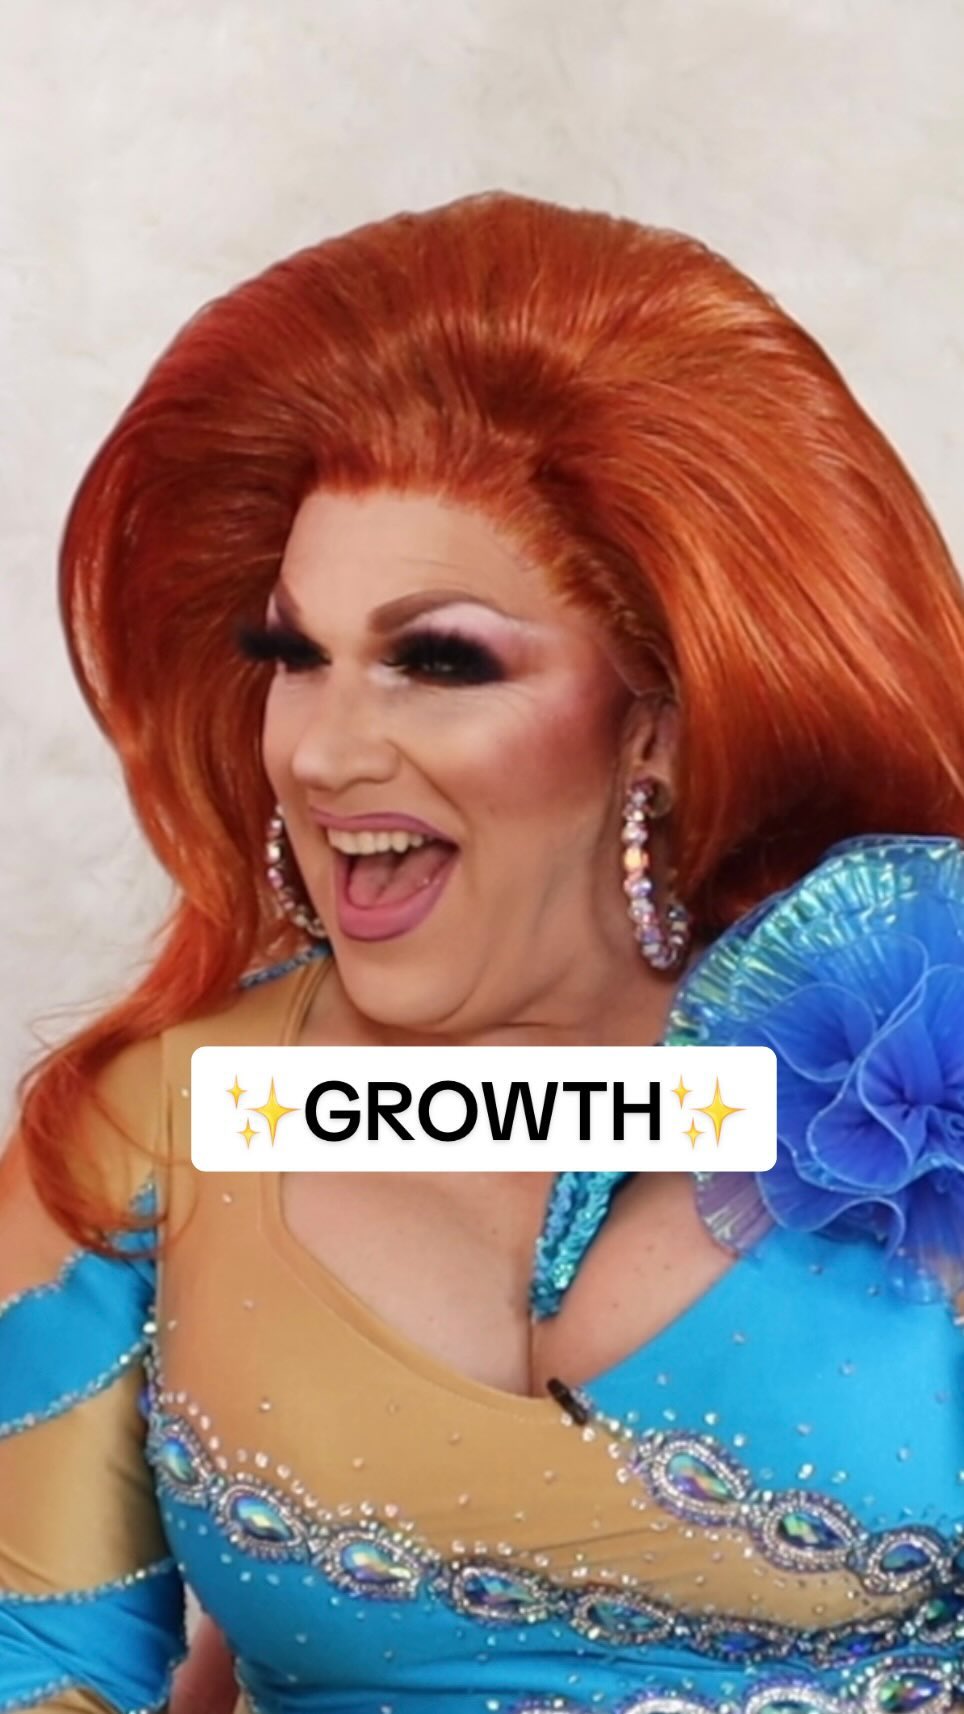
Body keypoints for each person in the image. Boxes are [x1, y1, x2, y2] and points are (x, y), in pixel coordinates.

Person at [1, 189, 962, 1714]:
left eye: (437, 659)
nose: (322, 749)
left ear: (657, 715)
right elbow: (37, 1662)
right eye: (293, 656)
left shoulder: (920, 1061)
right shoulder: (162, 1124)